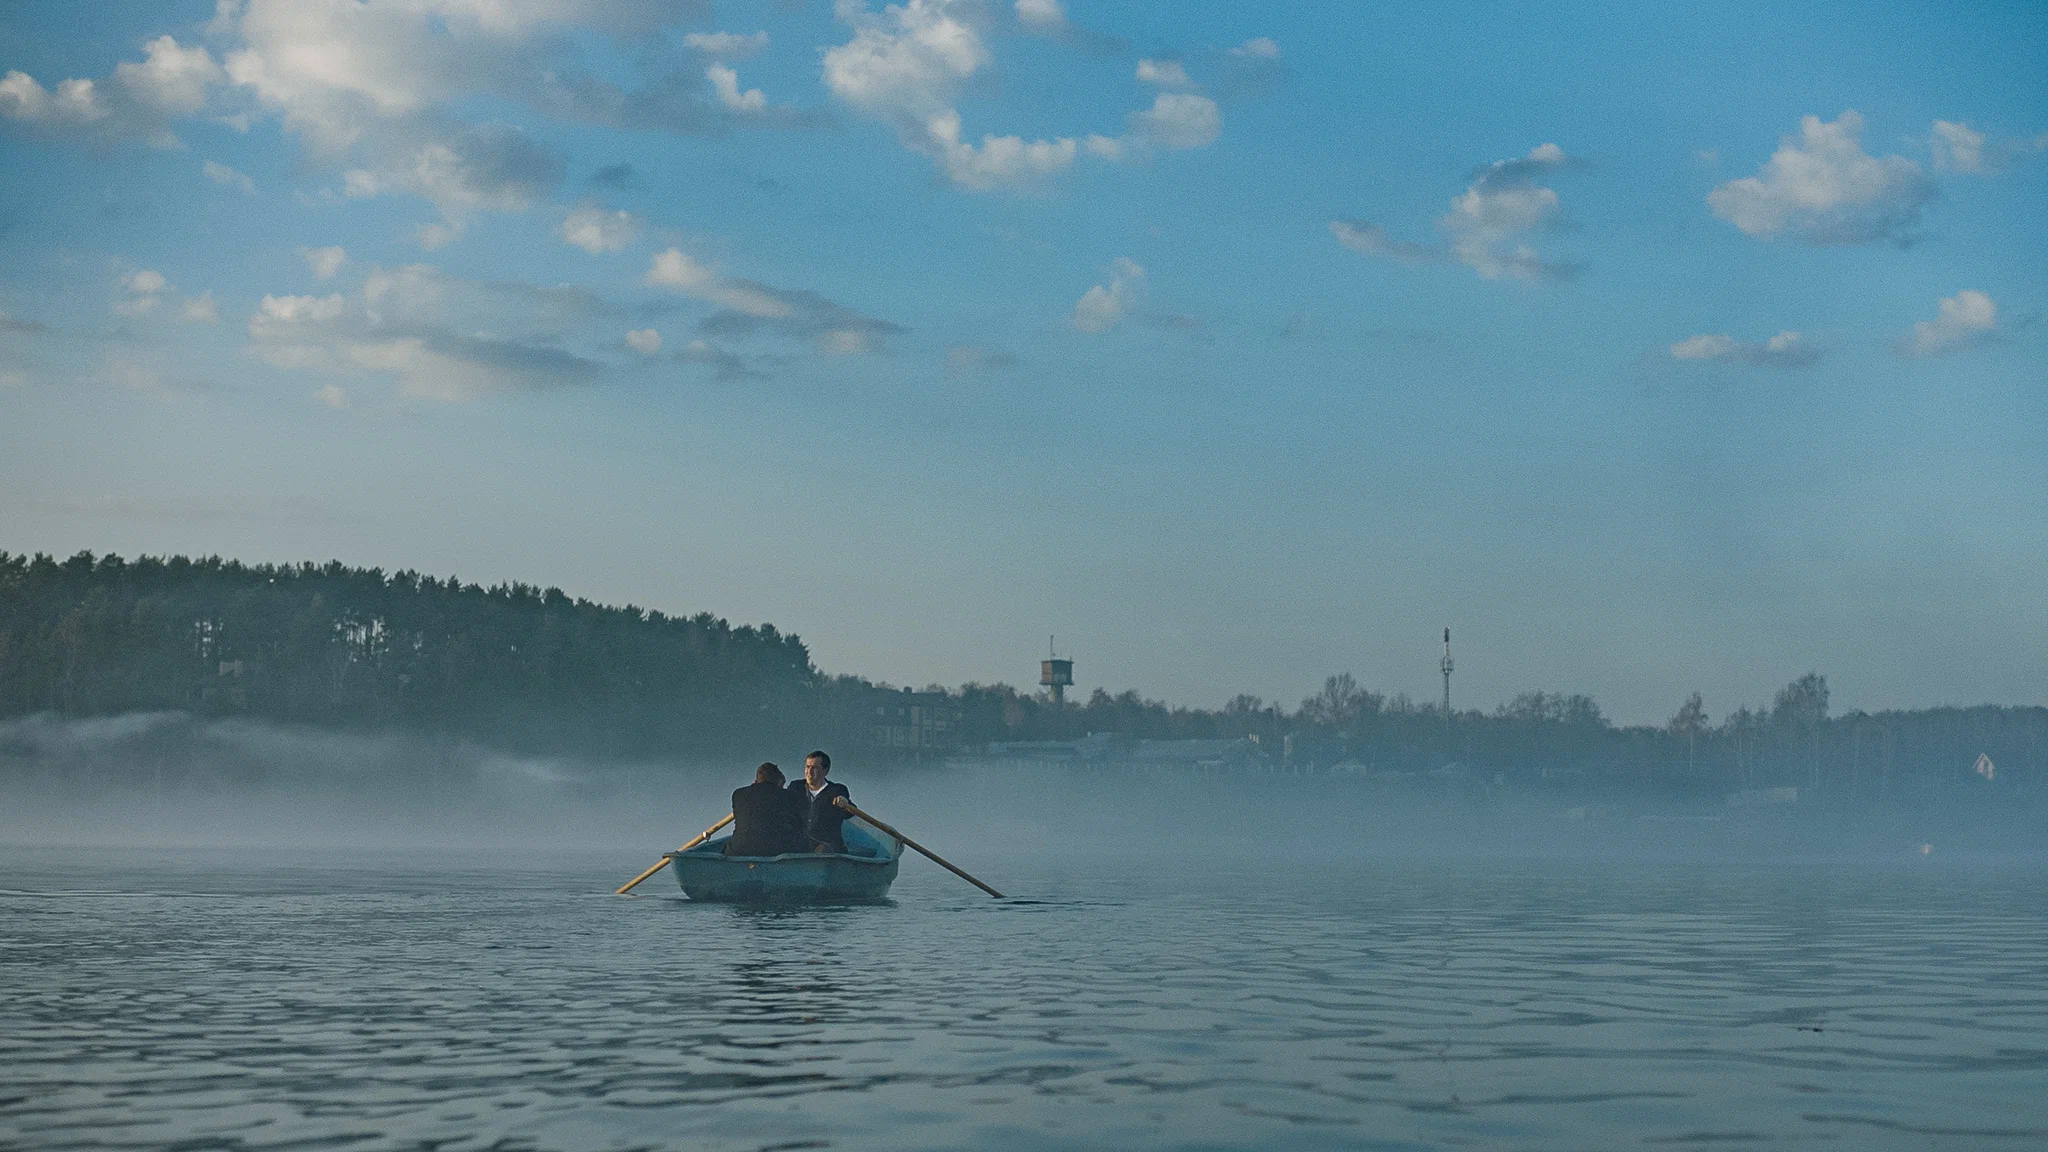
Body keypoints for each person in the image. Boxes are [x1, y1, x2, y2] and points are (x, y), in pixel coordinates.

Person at [726, 762, 806, 856]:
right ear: (779, 782)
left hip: (739, 850)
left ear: (756, 781)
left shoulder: (738, 794)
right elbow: (798, 826)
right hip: (777, 850)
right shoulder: (790, 796)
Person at [786, 749, 852, 853]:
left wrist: (845, 803)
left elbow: (850, 813)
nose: (809, 772)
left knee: (824, 850)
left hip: (829, 846)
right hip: (800, 846)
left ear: (825, 771)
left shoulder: (837, 790)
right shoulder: (795, 787)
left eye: (815, 767)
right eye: (807, 767)